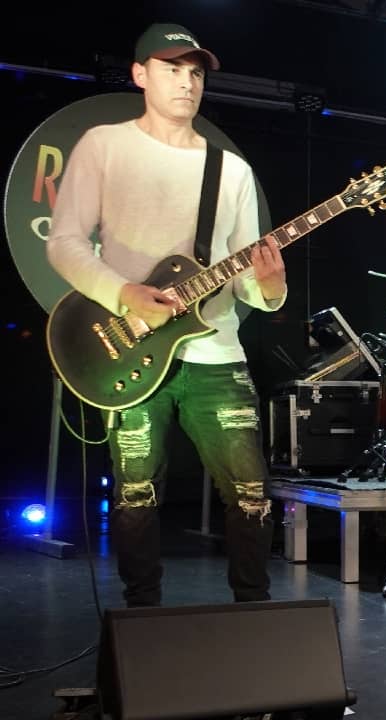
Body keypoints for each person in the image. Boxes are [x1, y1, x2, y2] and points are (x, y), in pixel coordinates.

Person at [47, 23, 286, 607]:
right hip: (126, 346)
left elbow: (250, 281)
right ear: (139, 74)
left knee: (252, 493)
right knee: (134, 494)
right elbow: (64, 243)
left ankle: (256, 617)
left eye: (196, 72)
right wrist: (124, 294)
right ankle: (142, 618)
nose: (187, 82)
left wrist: (271, 286)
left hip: (216, 352)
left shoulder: (229, 170)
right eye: (173, 69)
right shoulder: (104, 145)